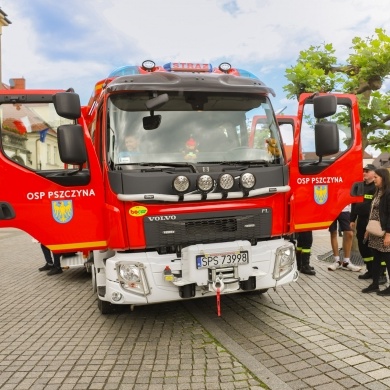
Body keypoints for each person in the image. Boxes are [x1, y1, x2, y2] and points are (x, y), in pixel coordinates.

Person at [350, 164, 386, 284]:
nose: (364, 173)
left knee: (377, 247)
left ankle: (381, 274)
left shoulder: (378, 188)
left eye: (367, 171)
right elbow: (354, 203)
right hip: (361, 221)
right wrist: (352, 219)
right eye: (363, 171)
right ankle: (371, 270)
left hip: (375, 222)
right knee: (363, 246)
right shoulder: (359, 186)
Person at [361, 168, 390, 295]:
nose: (374, 179)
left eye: (376, 177)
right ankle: (375, 284)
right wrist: (368, 229)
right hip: (374, 232)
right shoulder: (378, 192)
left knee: (388, 260)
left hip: (384, 232)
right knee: (376, 258)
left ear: (383, 178)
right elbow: (373, 211)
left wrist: (388, 234)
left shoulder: (388, 193)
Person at [328, 205, 361, 271]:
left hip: (345, 208)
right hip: (331, 208)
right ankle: (337, 261)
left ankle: (346, 262)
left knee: (349, 233)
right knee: (333, 232)